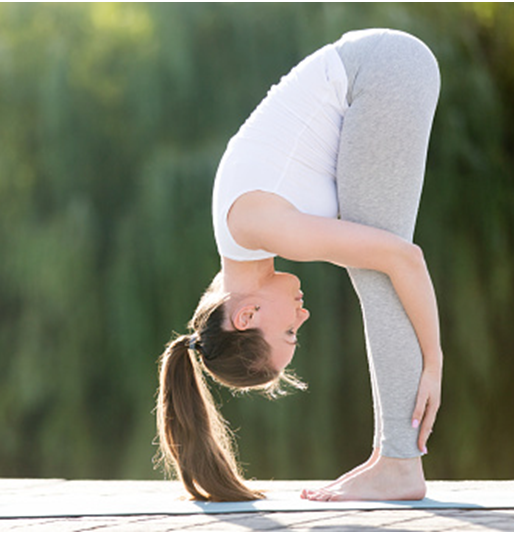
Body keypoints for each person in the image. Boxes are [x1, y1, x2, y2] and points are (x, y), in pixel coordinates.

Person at [155, 28, 443, 502]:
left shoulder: (263, 229)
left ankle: (398, 464)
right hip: (382, 67)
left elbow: (407, 259)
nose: (302, 319)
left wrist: (433, 361)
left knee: (379, 267)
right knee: (370, 260)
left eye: (289, 333)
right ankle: (386, 458)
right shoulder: (240, 254)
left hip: (382, 72)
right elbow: (214, 314)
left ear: (247, 317)